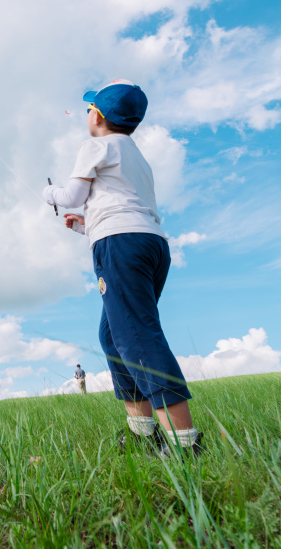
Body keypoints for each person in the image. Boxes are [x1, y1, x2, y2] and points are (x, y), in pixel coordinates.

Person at [42, 80, 203, 457]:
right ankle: (143, 433)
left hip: (122, 243)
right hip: (148, 243)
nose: (87, 114)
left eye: (89, 109)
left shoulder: (95, 145)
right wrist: (85, 226)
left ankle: (184, 444)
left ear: (97, 115)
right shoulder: (134, 155)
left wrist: (49, 194)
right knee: (115, 337)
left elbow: (72, 196)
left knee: (137, 337)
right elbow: (122, 206)